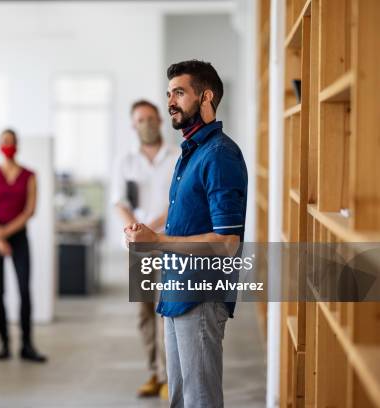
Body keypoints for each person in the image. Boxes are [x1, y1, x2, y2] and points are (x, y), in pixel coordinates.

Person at [125, 60, 248, 408]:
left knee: (200, 399)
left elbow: (227, 243)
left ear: (205, 96)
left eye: (179, 92)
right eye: (169, 94)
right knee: (181, 399)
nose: (170, 103)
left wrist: (158, 241)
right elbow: (187, 224)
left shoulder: (220, 155)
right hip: (176, 290)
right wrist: (144, 234)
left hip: (201, 297)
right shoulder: (190, 153)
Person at [112, 100, 178, 400]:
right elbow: (120, 202)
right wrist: (135, 231)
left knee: (165, 311)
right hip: (138, 247)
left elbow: (178, 201)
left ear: (160, 121)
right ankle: (153, 372)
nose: (147, 124)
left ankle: (168, 376)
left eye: (151, 118)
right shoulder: (126, 162)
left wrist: (151, 227)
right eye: (141, 120)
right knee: (144, 312)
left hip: (167, 243)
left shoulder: (177, 156)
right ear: (133, 125)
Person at [0, 129, 47, 363]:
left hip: (18, 237)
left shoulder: (29, 175)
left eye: (11, 142)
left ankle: (27, 345)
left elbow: (30, 210)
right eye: (3, 142)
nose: (7, 145)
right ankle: (4, 344)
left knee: (24, 290)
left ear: (17, 145)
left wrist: (6, 233)